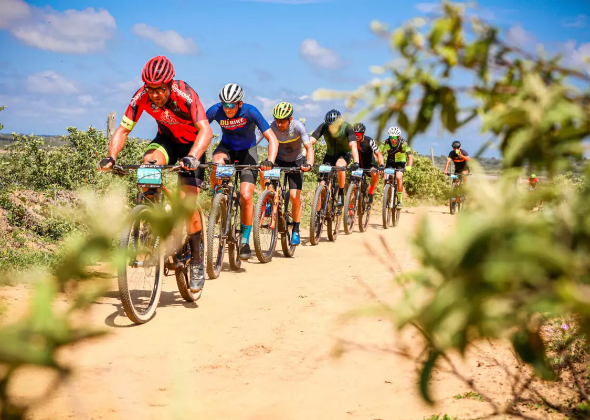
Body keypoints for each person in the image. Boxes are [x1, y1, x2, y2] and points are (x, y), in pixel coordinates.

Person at [97, 56, 213, 295]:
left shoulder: (185, 94)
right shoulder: (141, 96)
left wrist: (193, 157)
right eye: (150, 89)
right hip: (167, 141)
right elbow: (123, 129)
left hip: (193, 146)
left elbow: (206, 130)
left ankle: (197, 263)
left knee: (187, 205)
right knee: (148, 166)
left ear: (170, 85)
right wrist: (111, 157)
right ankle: (151, 218)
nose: (155, 95)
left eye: (160, 89)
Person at [206, 83, 278, 260]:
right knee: (217, 163)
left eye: (231, 104)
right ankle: (220, 196)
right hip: (227, 148)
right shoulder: (215, 111)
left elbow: (272, 139)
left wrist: (270, 161)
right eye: (224, 104)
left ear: (240, 103)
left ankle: (245, 239)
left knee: (246, 196)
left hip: (248, 152)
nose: (227, 108)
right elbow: (197, 130)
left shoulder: (250, 111)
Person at [259, 102, 314, 246]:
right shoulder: (271, 126)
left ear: (290, 119)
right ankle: (269, 198)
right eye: (276, 120)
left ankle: (296, 228)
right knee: (262, 170)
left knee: (295, 196)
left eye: (282, 121)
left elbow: (309, 148)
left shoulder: (298, 127)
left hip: (296, 162)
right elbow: (254, 141)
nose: (279, 124)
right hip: (278, 160)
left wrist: (309, 163)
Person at [310, 109, 360, 206]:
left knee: (339, 166)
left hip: (344, 155)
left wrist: (356, 162)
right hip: (329, 156)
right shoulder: (324, 126)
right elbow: (310, 141)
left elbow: (353, 146)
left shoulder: (347, 127)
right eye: (329, 125)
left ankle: (341, 192)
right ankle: (318, 215)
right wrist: (304, 157)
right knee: (321, 183)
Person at [380, 126, 413, 209]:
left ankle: (399, 200)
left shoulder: (404, 144)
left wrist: (409, 166)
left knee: (398, 177)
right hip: (390, 162)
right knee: (386, 177)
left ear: (398, 137)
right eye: (391, 137)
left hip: (400, 163)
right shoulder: (385, 142)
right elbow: (377, 153)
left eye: (394, 137)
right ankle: (387, 195)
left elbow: (410, 156)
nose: (393, 139)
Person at [353, 123, 384, 204]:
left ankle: (371, 192)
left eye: (358, 134)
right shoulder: (352, 142)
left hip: (370, 164)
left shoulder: (369, 141)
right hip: (358, 165)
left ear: (363, 133)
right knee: (353, 186)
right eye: (354, 134)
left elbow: (378, 153)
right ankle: (350, 210)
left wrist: (381, 165)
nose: (356, 136)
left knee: (374, 173)